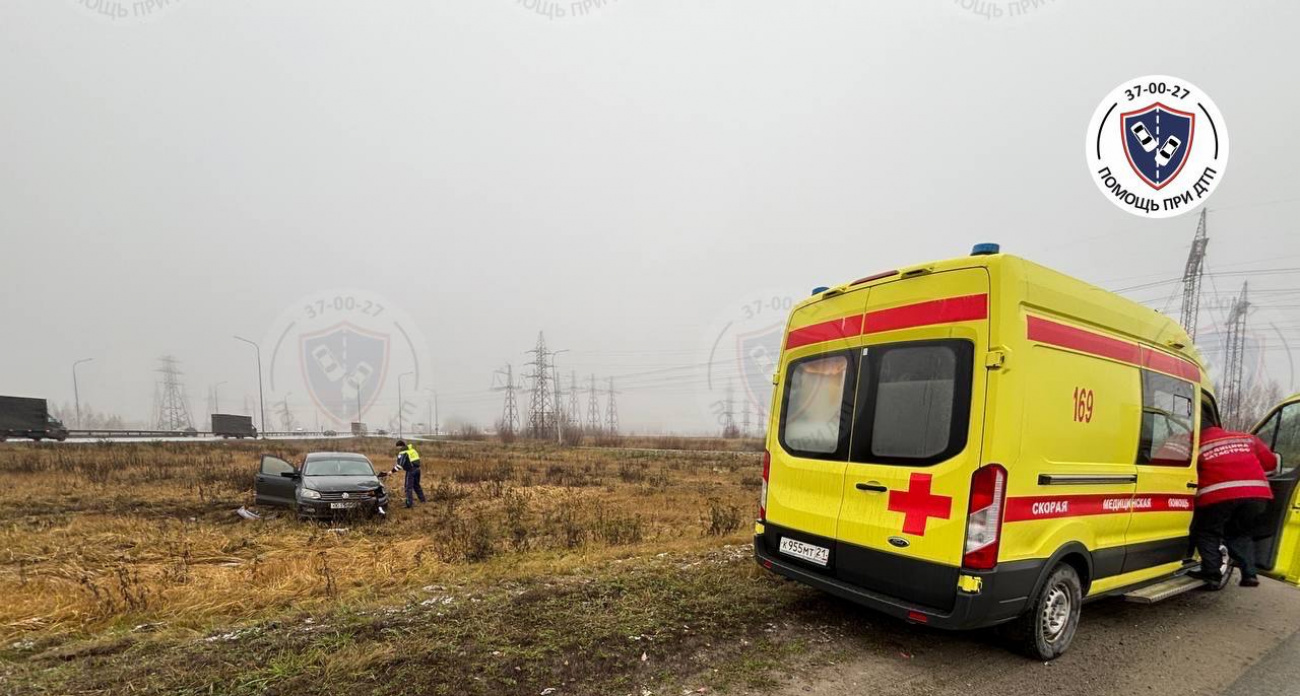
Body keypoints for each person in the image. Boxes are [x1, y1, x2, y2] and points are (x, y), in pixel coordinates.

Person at [1190, 411, 1278, 587]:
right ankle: (1249, 575)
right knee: (1240, 534)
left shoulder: (1193, 443)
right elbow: (1271, 464)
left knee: (1207, 532)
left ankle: (1212, 574)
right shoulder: (1247, 438)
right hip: (1257, 496)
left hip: (1218, 496)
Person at [391, 440, 426, 508]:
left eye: (397, 447)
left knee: (408, 487)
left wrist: (391, 472)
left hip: (411, 470)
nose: (398, 449)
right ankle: (423, 500)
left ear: (400, 446)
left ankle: (409, 504)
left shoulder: (403, 452)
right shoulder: (412, 450)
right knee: (416, 485)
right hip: (417, 470)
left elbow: (399, 466)